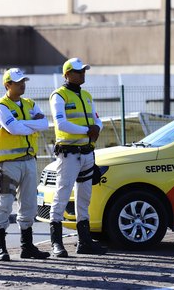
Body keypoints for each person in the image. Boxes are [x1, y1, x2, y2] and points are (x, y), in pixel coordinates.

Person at [0, 68, 50, 261]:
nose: (22, 84)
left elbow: (45, 125)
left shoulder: (29, 103)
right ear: (7, 85)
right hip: (7, 165)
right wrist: (31, 123)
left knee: (29, 205)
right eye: (18, 82)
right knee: (4, 204)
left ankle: (27, 247)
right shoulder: (0, 106)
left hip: (28, 162)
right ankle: (1, 247)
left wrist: (23, 123)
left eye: (23, 81)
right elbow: (13, 128)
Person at [49, 57, 107, 257]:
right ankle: (56, 243)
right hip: (68, 154)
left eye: (83, 71)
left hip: (86, 153)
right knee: (62, 195)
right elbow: (61, 125)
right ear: (67, 74)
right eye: (77, 71)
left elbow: (98, 121)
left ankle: (85, 241)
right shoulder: (59, 96)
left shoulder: (87, 95)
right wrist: (87, 131)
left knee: (84, 198)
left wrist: (95, 129)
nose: (82, 74)